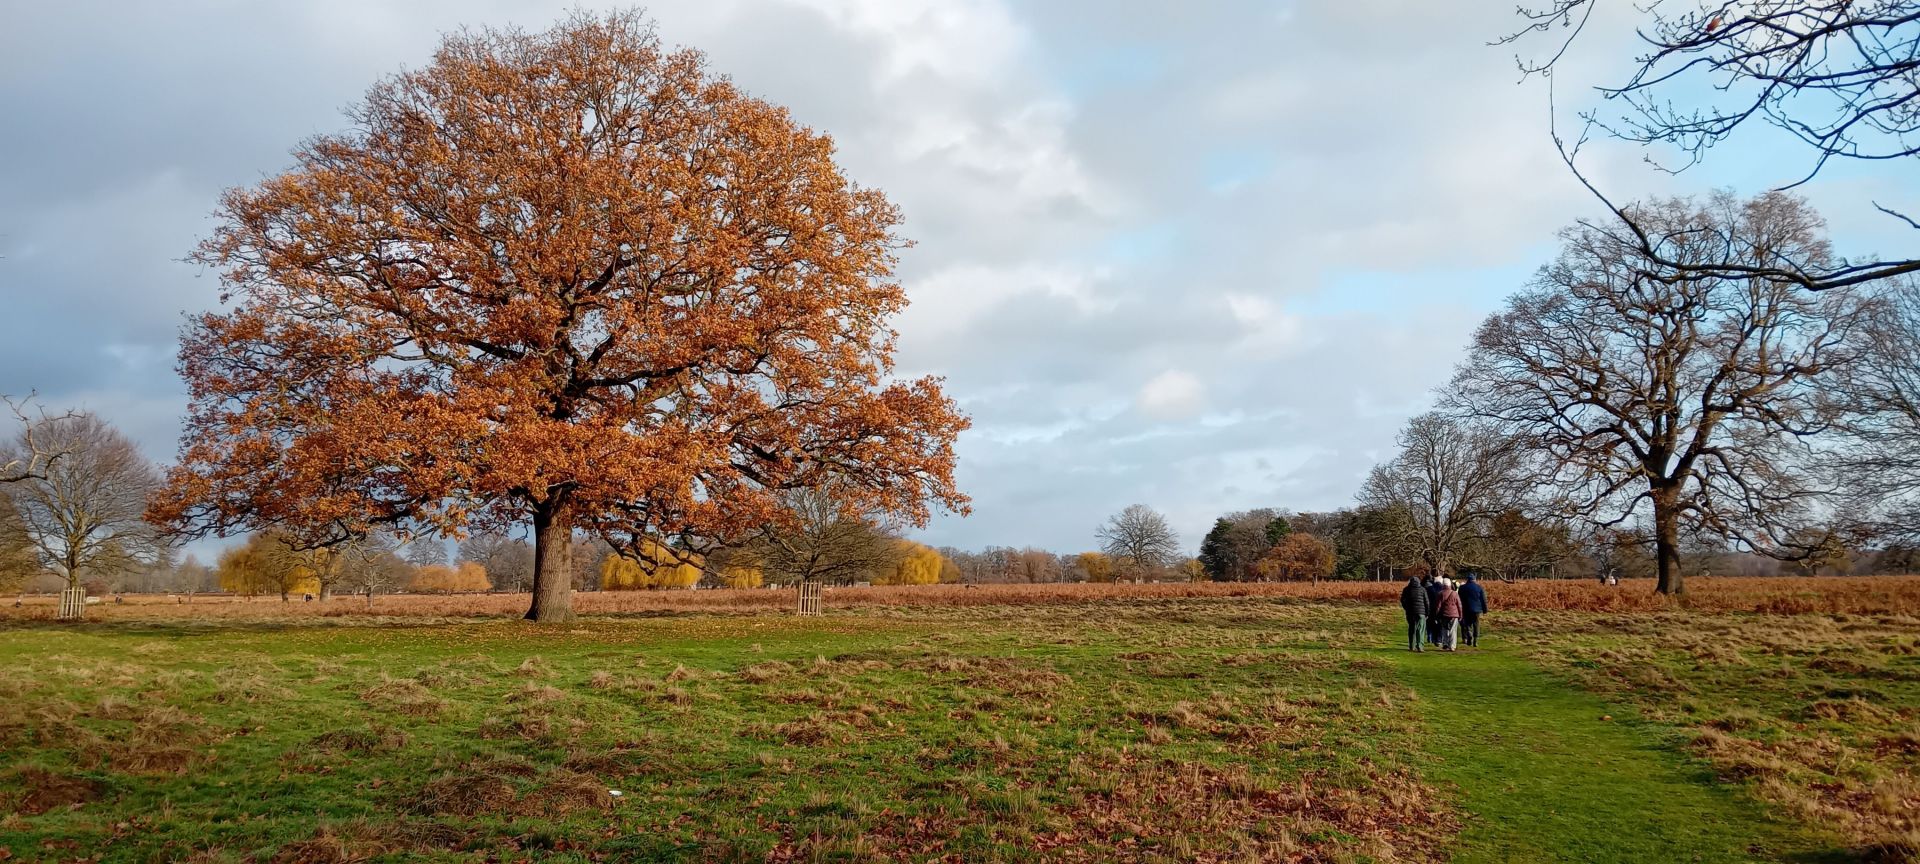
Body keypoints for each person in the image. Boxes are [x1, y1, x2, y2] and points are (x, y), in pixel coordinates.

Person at [1398, 573, 1429, 652]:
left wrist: (1406, 608)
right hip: (1421, 612)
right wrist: (1427, 613)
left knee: (1412, 629)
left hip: (1410, 612)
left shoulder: (1406, 589)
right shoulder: (1422, 589)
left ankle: (1412, 646)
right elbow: (1427, 602)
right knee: (1421, 630)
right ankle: (1420, 646)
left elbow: (1402, 600)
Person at [1459, 572, 1487, 647]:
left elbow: (1459, 599)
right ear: (1474, 579)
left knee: (1467, 624)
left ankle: (1469, 633)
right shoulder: (1479, 587)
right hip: (1477, 609)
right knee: (1476, 624)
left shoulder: (1462, 588)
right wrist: (1485, 609)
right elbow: (1483, 599)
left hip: (1466, 608)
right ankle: (1475, 640)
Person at [1435, 578, 1463, 651]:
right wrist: (1460, 615)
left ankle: (1445, 644)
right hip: (1454, 615)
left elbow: (1438, 606)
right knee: (1453, 630)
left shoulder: (1440, 593)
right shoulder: (1455, 593)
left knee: (1445, 629)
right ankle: (1452, 646)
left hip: (1444, 615)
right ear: (1450, 585)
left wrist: (1436, 615)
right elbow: (1459, 605)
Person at [1425, 574, 1446, 646]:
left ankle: (1433, 638)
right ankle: (1439, 640)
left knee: (1432, 624)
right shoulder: (1443, 589)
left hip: (1431, 609)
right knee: (1440, 625)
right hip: (1441, 609)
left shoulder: (1429, 589)